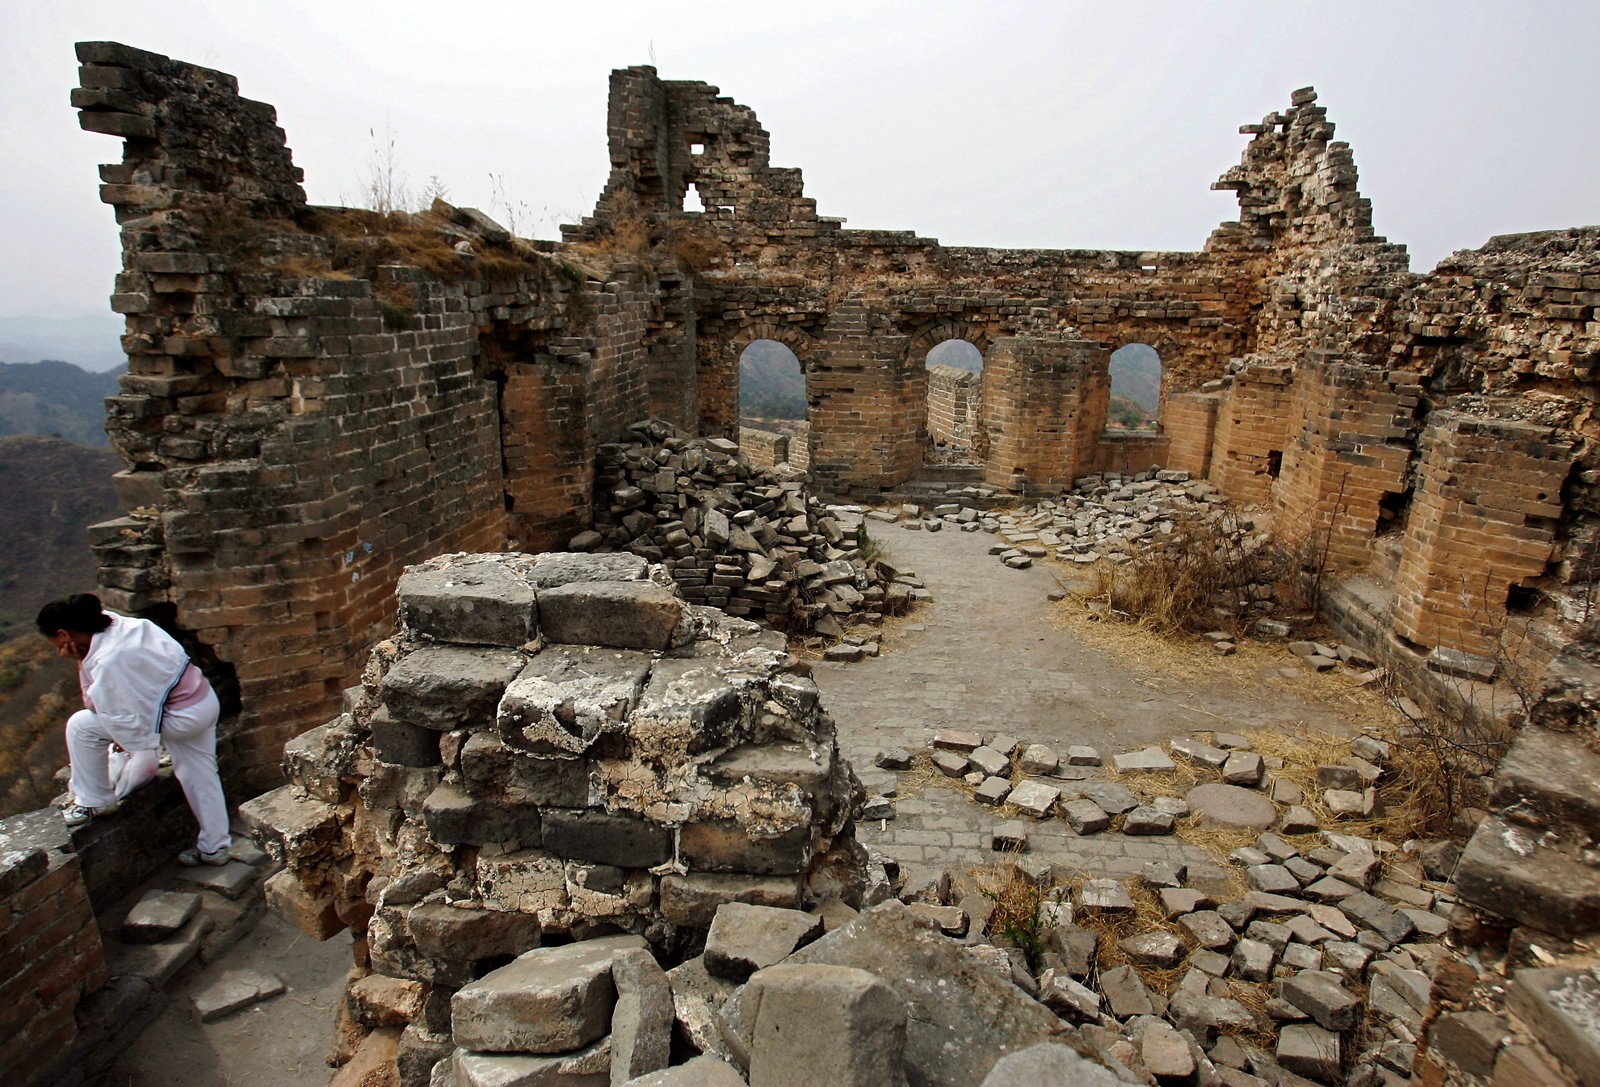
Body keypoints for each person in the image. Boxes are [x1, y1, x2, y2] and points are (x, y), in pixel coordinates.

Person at [37, 593, 232, 867]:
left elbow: (96, 703)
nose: (56, 648)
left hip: (178, 717)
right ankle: (215, 848)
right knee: (200, 774)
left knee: (81, 726)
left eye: (54, 642)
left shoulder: (107, 660)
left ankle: (94, 800)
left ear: (62, 634)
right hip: (202, 700)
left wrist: (80, 663)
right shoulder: (124, 625)